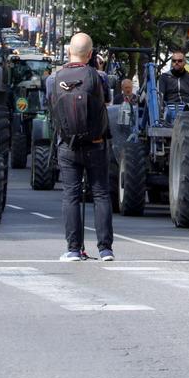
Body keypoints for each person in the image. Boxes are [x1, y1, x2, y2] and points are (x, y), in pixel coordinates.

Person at [51, 32, 114, 262]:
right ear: (90, 54)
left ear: (69, 51)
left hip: (67, 145)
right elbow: (106, 101)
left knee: (71, 196)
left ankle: (74, 249)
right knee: (100, 194)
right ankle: (106, 249)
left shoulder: (54, 78)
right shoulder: (99, 77)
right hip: (96, 144)